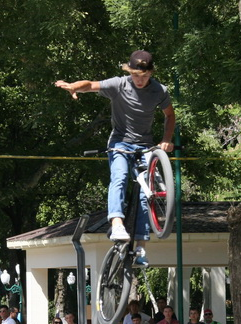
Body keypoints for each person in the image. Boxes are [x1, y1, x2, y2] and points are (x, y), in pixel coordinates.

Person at [55, 50, 175, 268]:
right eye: (137, 76)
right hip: (120, 143)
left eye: (145, 76)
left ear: (151, 74)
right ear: (129, 72)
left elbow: (169, 114)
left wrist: (166, 139)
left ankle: (141, 245)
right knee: (119, 176)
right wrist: (74, 86)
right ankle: (117, 222)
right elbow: (91, 85)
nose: (140, 81)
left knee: (144, 194)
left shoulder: (159, 90)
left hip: (146, 146)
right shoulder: (119, 84)